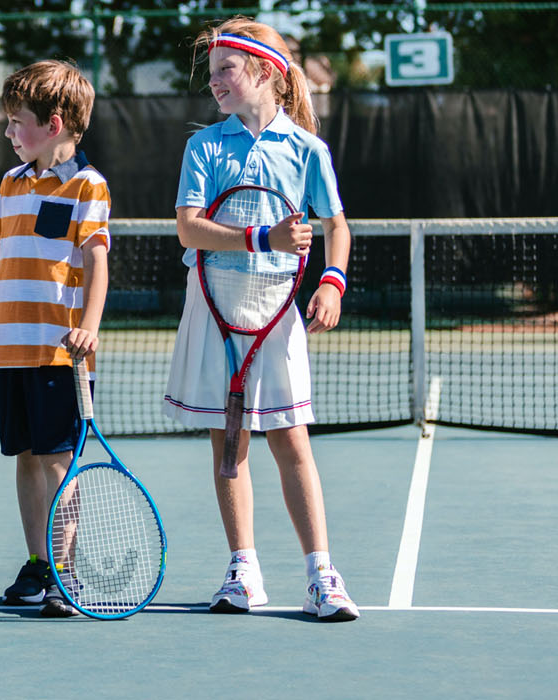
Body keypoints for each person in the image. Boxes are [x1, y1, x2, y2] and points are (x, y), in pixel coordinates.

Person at [163, 17, 359, 621]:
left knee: (291, 441)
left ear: (266, 72)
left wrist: (332, 279)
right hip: (215, 308)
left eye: (227, 69)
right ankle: (243, 568)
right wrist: (261, 237)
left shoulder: (307, 149)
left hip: (276, 313)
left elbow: (335, 225)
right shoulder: (205, 145)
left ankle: (322, 575)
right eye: (213, 71)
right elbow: (188, 227)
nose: (216, 81)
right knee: (229, 444)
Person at [0, 60, 111, 618]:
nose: (6, 132)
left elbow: (97, 259)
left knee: (57, 464)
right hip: (12, 350)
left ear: (52, 124)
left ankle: (64, 572)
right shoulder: (10, 183)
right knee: (26, 458)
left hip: (59, 353)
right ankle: (39, 563)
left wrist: (89, 327)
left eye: (14, 121)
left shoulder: (87, 185)